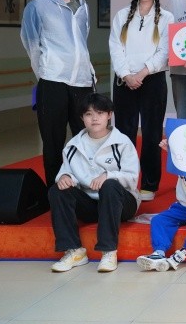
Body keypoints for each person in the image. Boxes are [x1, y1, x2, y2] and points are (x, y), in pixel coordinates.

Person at [21, 0, 96, 187]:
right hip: (53, 82)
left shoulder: (83, 6)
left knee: (86, 139)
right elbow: (31, 44)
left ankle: (84, 189)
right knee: (53, 142)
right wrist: (46, 73)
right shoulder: (37, 6)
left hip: (82, 83)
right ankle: (54, 194)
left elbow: (82, 42)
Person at [49, 93, 139, 273]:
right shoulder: (73, 145)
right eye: (89, 114)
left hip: (121, 203)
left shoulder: (122, 142)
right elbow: (66, 172)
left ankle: (108, 251)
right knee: (57, 190)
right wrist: (65, 177)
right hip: (91, 205)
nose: (95, 118)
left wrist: (108, 175)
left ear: (109, 115)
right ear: (82, 118)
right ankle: (74, 251)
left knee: (110, 185)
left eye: (100, 113)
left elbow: (132, 177)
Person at [109, 0, 173, 201]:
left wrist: (143, 73)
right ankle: (124, 181)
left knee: (151, 133)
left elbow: (164, 51)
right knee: (124, 133)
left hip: (153, 80)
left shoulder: (166, 18)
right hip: (124, 81)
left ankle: (148, 184)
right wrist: (127, 75)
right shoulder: (121, 16)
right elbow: (115, 47)